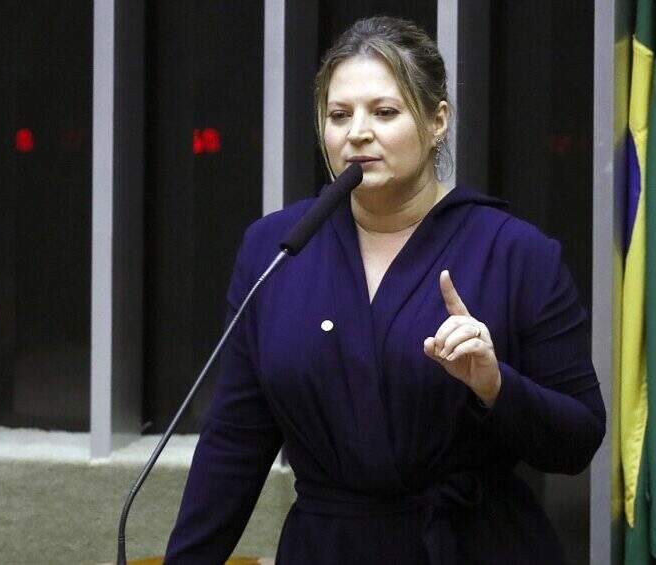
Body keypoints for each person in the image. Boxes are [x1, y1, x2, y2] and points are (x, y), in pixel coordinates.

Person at [165, 16, 605, 564]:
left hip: (470, 545)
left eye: (385, 112)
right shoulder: (275, 249)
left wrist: (496, 387)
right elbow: (233, 445)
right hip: (327, 547)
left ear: (437, 120)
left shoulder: (516, 253)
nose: (358, 133)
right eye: (338, 115)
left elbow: (578, 440)